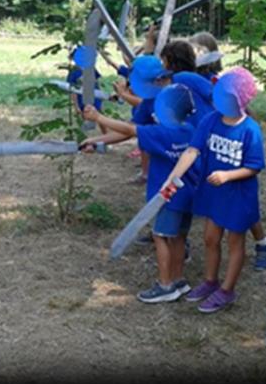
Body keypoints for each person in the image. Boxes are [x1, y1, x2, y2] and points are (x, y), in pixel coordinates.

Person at [82, 84, 198, 302]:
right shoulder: (189, 130)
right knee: (179, 237)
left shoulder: (161, 132)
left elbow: (130, 129)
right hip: (188, 195)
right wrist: (95, 142)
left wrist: (99, 117)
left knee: (161, 236)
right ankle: (178, 279)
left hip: (167, 198)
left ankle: (165, 285)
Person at [164, 67, 264, 313]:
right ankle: (210, 281)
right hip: (213, 193)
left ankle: (227, 290)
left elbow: (254, 167)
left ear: (240, 100)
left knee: (234, 241)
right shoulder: (210, 120)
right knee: (210, 238)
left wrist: (228, 175)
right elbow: (192, 150)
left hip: (238, 196)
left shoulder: (251, 129)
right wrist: (172, 177)